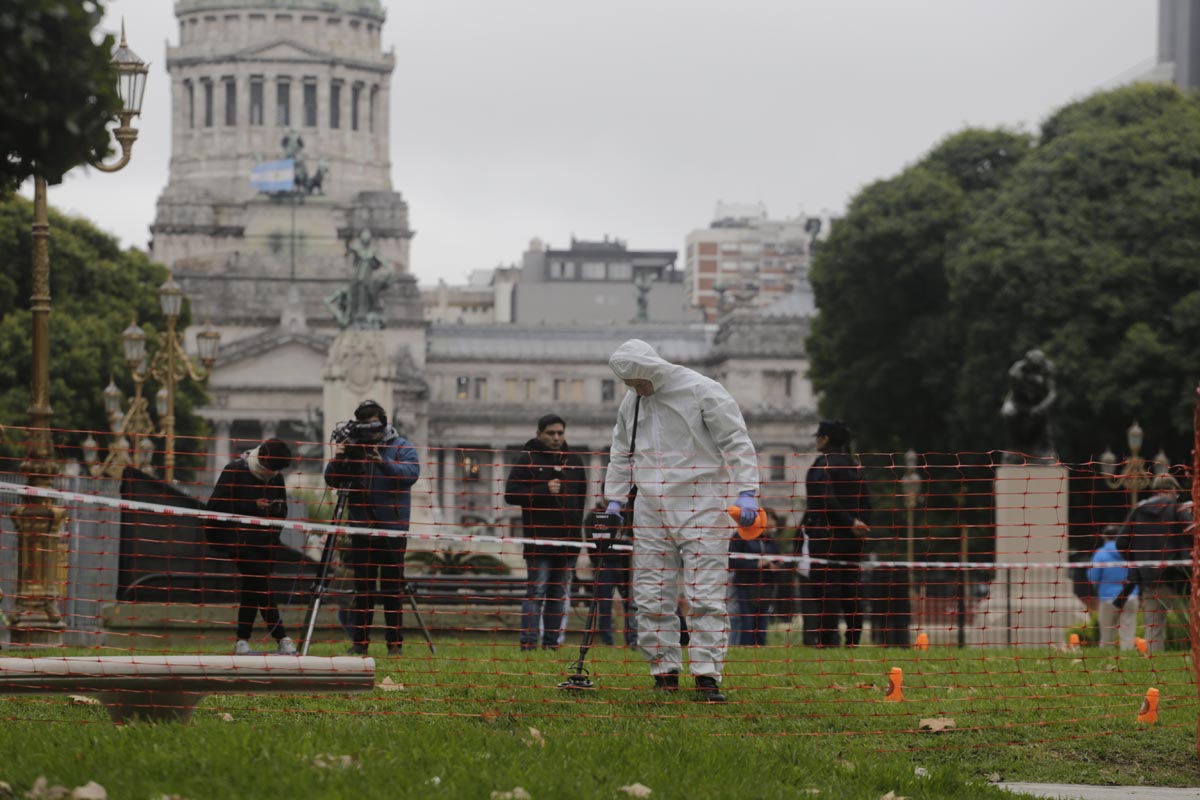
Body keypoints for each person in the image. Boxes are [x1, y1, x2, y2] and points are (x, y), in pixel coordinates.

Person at [603, 339, 760, 702]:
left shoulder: (703, 391)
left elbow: (736, 441)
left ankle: (707, 675)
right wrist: (614, 500)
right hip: (650, 508)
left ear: (652, 370)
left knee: (704, 593)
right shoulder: (635, 401)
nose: (634, 388)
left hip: (702, 503)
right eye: (629, 384)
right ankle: (663, 670)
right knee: (650, 593)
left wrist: (746, 489)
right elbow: (621, 451)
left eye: (638, 381)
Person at [324, 399, 420, 656]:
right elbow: (332, 480)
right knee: (363, 588)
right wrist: (339, 459)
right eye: (362, 427)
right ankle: (360, 643)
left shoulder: (402, 447)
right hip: (361, 526)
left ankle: (394, 644)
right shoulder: (354, 448)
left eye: (371, 428)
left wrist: (382, 462)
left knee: (392, 589)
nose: (367, 434)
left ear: (382, 426)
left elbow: (411, 474)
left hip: (393, 528)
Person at [504, 414, 587, 651]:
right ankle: (528, 643)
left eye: (560, 433)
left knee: (558, 594)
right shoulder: (526, 459)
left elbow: (580, 502)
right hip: (539, 539)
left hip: (568, 541)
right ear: (539, 433)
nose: (556, 437)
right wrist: (542, 489)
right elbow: (510, 494)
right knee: (536, 591)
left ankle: (552, 644)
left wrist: (577, 539)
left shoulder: (574, 461)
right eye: (551, 433)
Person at [207, 438, 296, 656]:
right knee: (260, 584)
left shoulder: (276, 479)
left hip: (264, 543)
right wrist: (252, 506)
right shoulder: (235, 470)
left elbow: (282, 511)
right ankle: (281, 636)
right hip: (238, 540)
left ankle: (242, 640)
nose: (270, 474)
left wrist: (274, 511)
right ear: (263, 458)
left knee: (253, 588)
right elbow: (216, 505)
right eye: (269, 468)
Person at [802, 420, 872, 648]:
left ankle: (826, 640)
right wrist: (860, 524)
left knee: (826, 590)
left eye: (819, 437)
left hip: (826, 535)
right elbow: (867, 502)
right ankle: (853, 640)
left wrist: (848, 521)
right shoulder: (855, 467)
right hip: (853, 539)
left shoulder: (822, 466)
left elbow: (824, 499)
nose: (816, 441)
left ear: (826, 439)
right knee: (852, 590)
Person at [1114, 474, 1191, 653]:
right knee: (1190, 623)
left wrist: (1139, 561)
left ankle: (1154, 663)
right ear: (1172, 490)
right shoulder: (1177, 509)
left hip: (1148, 579)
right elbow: (1192, 534)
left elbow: (1121, 543)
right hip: (1177, 577)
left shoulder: (1138, 510)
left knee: (1153, 627)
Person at [585, 501, 638, 647]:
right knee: (605, 605)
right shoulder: (594, 515)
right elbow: (591, 540)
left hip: (625, 563)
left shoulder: (628, 513)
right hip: (604, 565)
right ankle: (607, 641)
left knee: (630, 603)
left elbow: (633, 538)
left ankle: (632, 640)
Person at [728, 508, 782, 646]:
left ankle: (760, 648)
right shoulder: (741, 536)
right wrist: (756, 564)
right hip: (745, 586)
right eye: (768, 526)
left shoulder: (771, 541)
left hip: (765, 588)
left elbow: (778, 560)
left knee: (762, 623)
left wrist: (774, 567)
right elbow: (732, 561)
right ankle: (745, 648)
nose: (771, 530)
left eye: (772, 527)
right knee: (747, 622)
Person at [1087, 524, 1139, 650]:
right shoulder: (1128, 552)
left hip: (1107, 597)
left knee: (1107, 634)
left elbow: (1093, 576)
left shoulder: (1100, 554)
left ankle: (1106, 658)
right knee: (1128, 631)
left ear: (1104, 537)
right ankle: (1127, 657)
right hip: (1130, 596)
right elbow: (1136, 573)